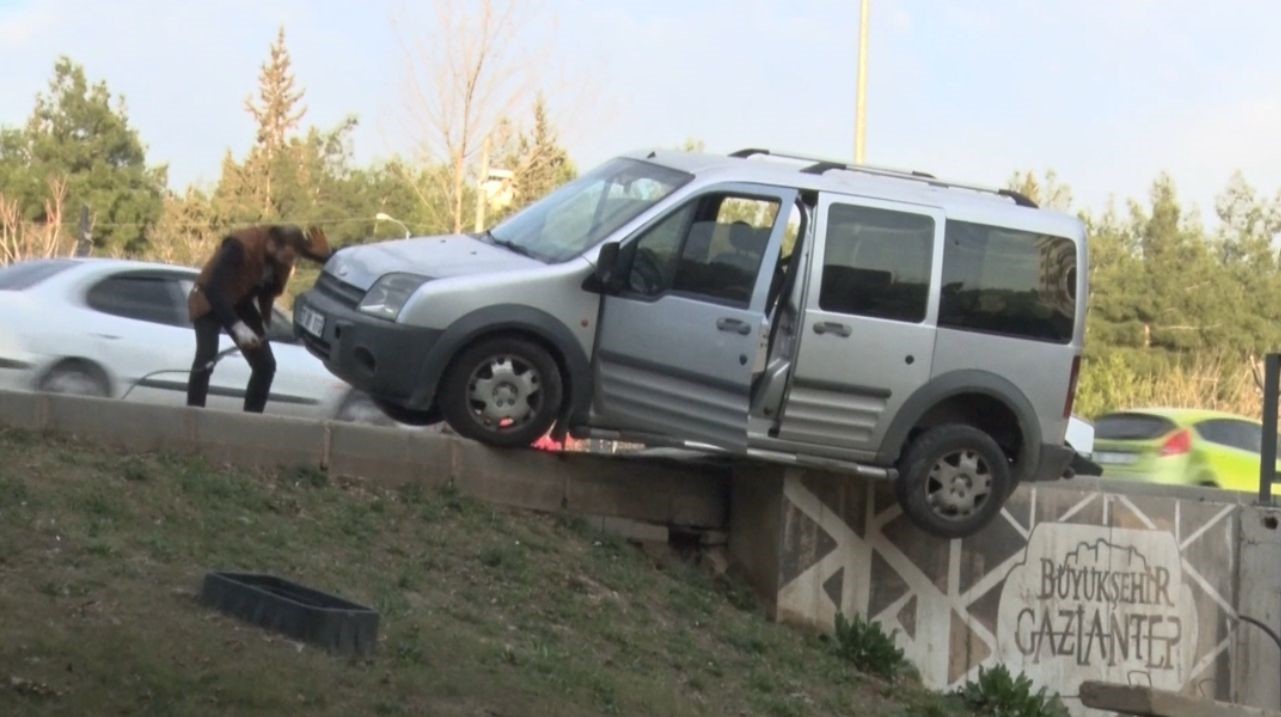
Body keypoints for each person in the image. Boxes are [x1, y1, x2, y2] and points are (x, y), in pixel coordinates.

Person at [186, 224, 332, 413]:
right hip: (210, 299)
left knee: (265, 365)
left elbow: (323, 256)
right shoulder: (240, 246)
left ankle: (252, 419)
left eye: (294, 258)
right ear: (272, 245)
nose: (290, 263)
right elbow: (213, 289)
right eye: (288, 258)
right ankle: (193, 414)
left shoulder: (289, 245)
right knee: (206, 358)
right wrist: (237, 327)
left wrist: (329, 255)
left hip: (241, 301)